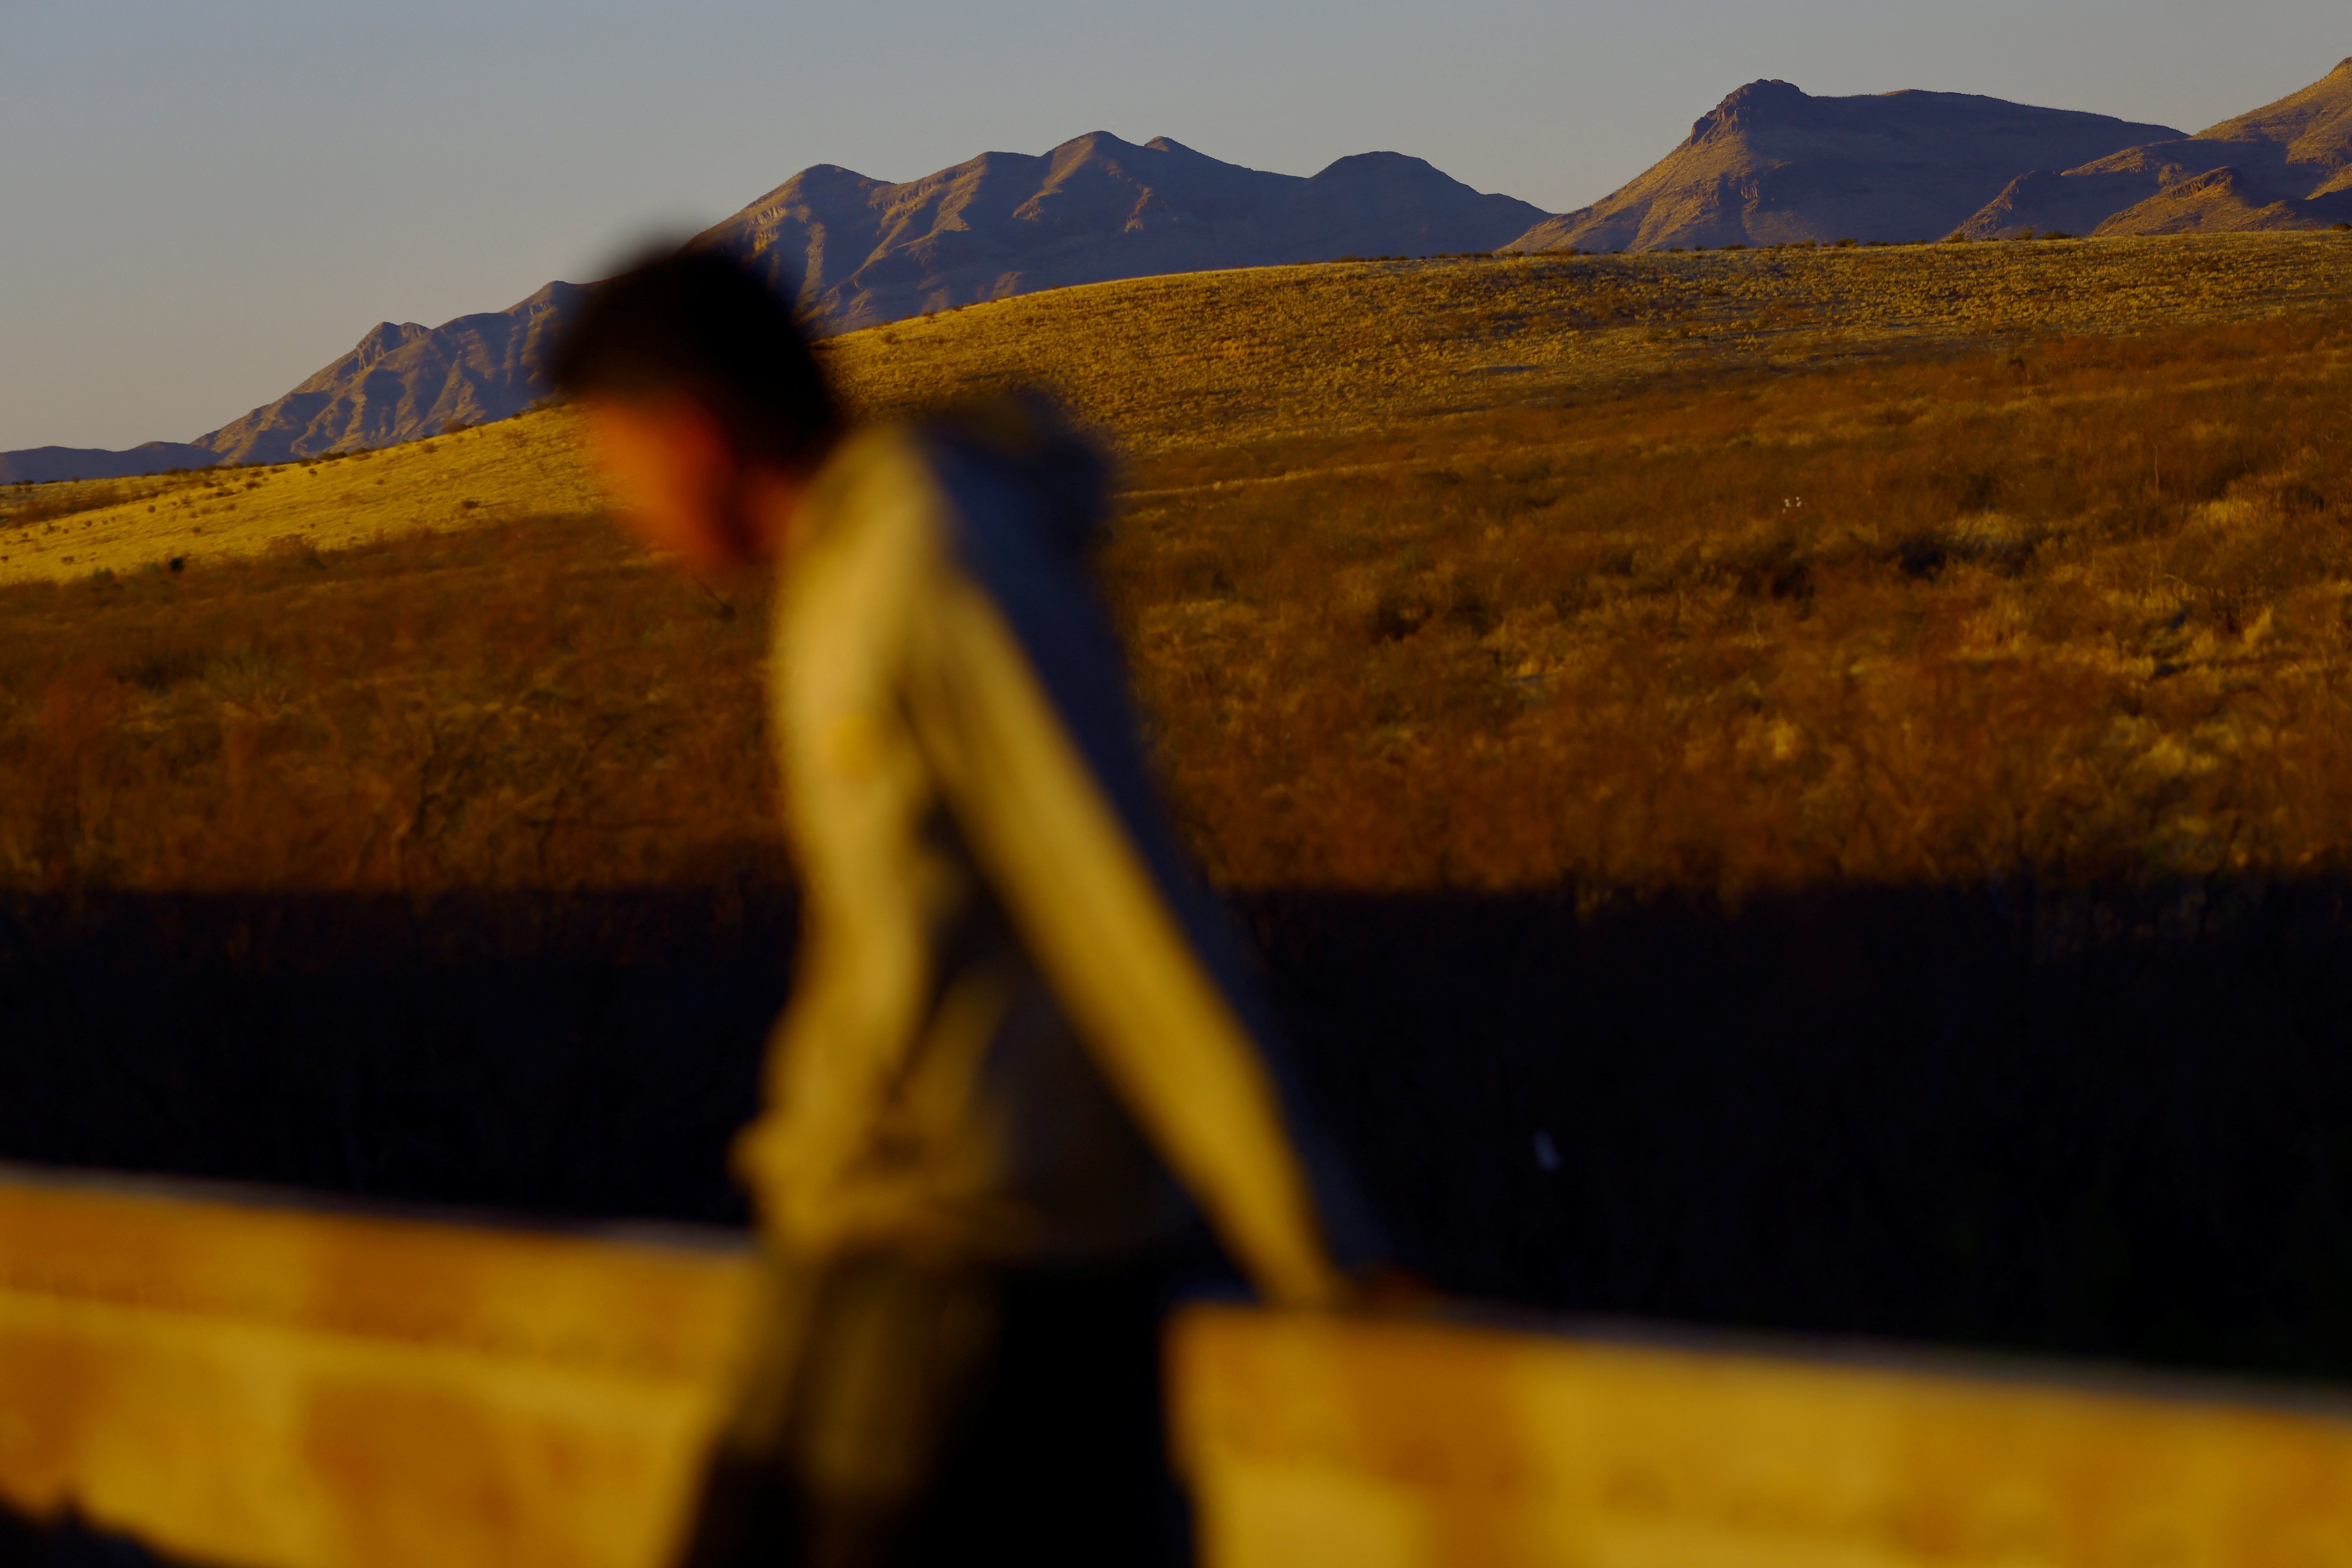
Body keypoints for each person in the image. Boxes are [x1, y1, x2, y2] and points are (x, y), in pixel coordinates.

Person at [553, 250, 1381, 1568]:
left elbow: (1120, 902)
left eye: (617, 463)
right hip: (879, 1249)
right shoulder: (842, 570)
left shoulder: (933, 560)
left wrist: (1325, 1253)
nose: (628, 511)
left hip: (995, 1285)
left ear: (697, 430)